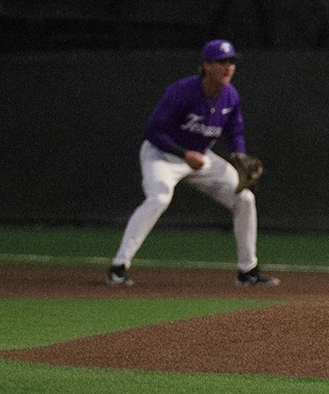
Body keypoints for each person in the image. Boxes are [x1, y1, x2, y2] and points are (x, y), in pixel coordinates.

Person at [107, 39, 278, 287]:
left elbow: (235, 132)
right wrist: (183, 152)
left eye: (231, 62)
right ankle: (119, 266)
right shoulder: (182, 91)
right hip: (163, 156)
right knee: (159, 198)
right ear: (206, 66)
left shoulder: (230, 96)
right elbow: (153, 131)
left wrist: (240, 155)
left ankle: (247, 271)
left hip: (201, 158)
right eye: (221, 62)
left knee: (245, 199)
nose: (228, 67)